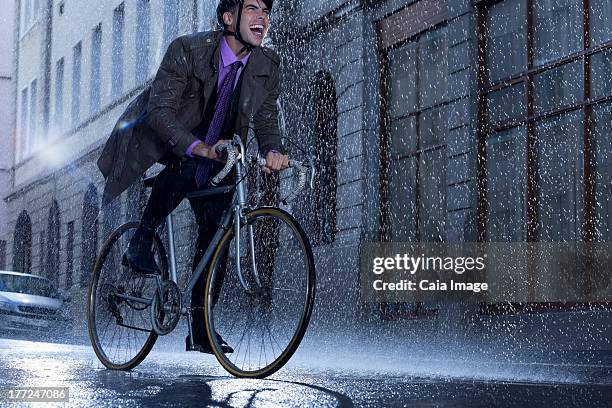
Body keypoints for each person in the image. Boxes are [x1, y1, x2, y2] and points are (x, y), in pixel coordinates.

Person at [96, 0, 288, 354]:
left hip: (221, 155)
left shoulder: (267, 65)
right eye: (253, 9)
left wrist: (273, 150)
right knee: (183, 170)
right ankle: (141, 240)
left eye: (266, 11)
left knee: (216, 239)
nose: (263, 17)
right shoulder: (188, 49)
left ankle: (200, 327)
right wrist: (198, 147)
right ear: (228, 18)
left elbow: (265, 118)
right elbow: (160, 112)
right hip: (168, 137)